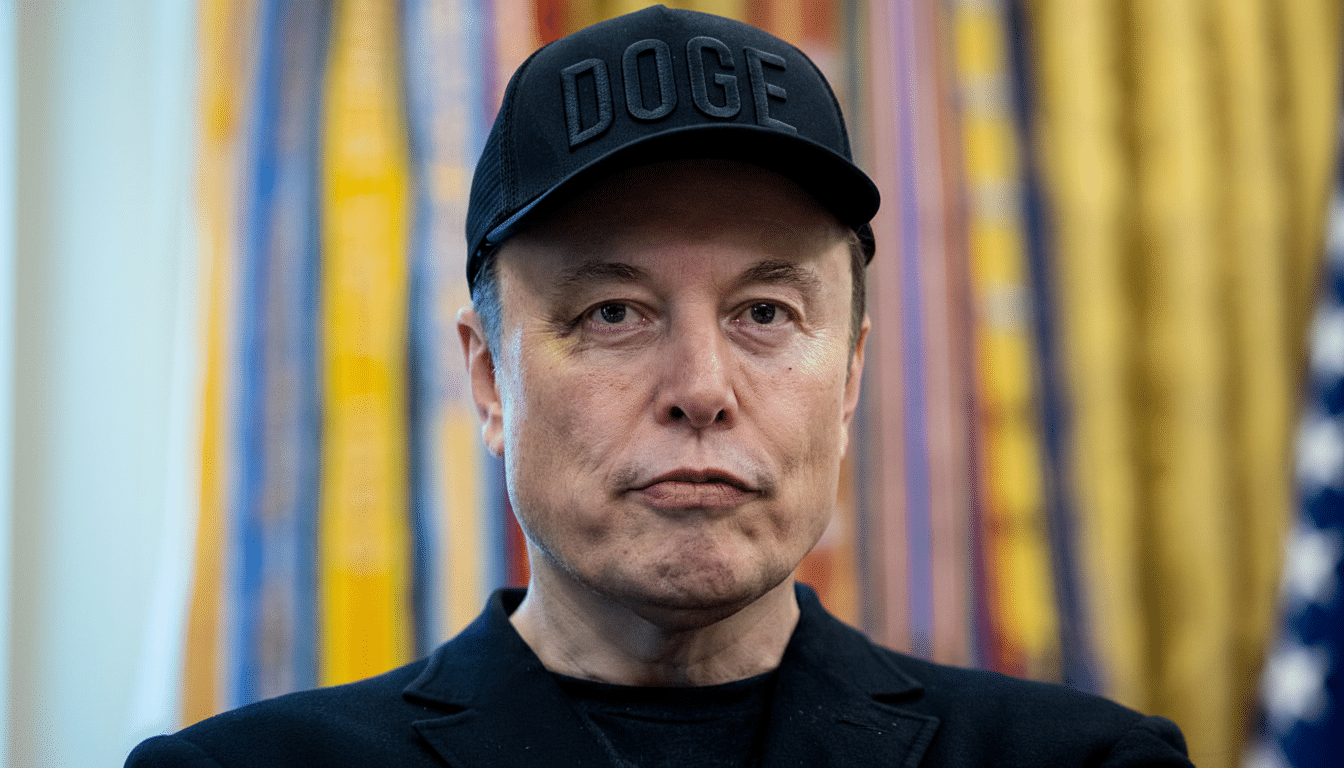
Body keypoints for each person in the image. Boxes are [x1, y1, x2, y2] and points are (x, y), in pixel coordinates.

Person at [128, 6, 1196, 766]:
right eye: (614, 313)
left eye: (766, 314)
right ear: (491, 378)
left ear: (853, 374)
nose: (702, 387)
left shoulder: (1085, 759)